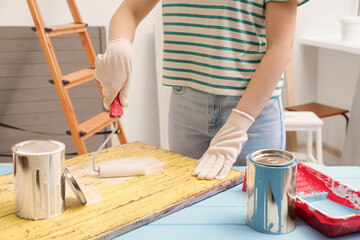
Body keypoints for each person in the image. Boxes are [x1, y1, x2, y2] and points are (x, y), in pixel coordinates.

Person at [95, 0, 309, 180]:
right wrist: (119, 44)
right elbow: (129, 10)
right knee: (187, 209)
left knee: (253, 211)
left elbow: (281, 45)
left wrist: (237, 125)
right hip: (185, 110)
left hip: (252, 116)